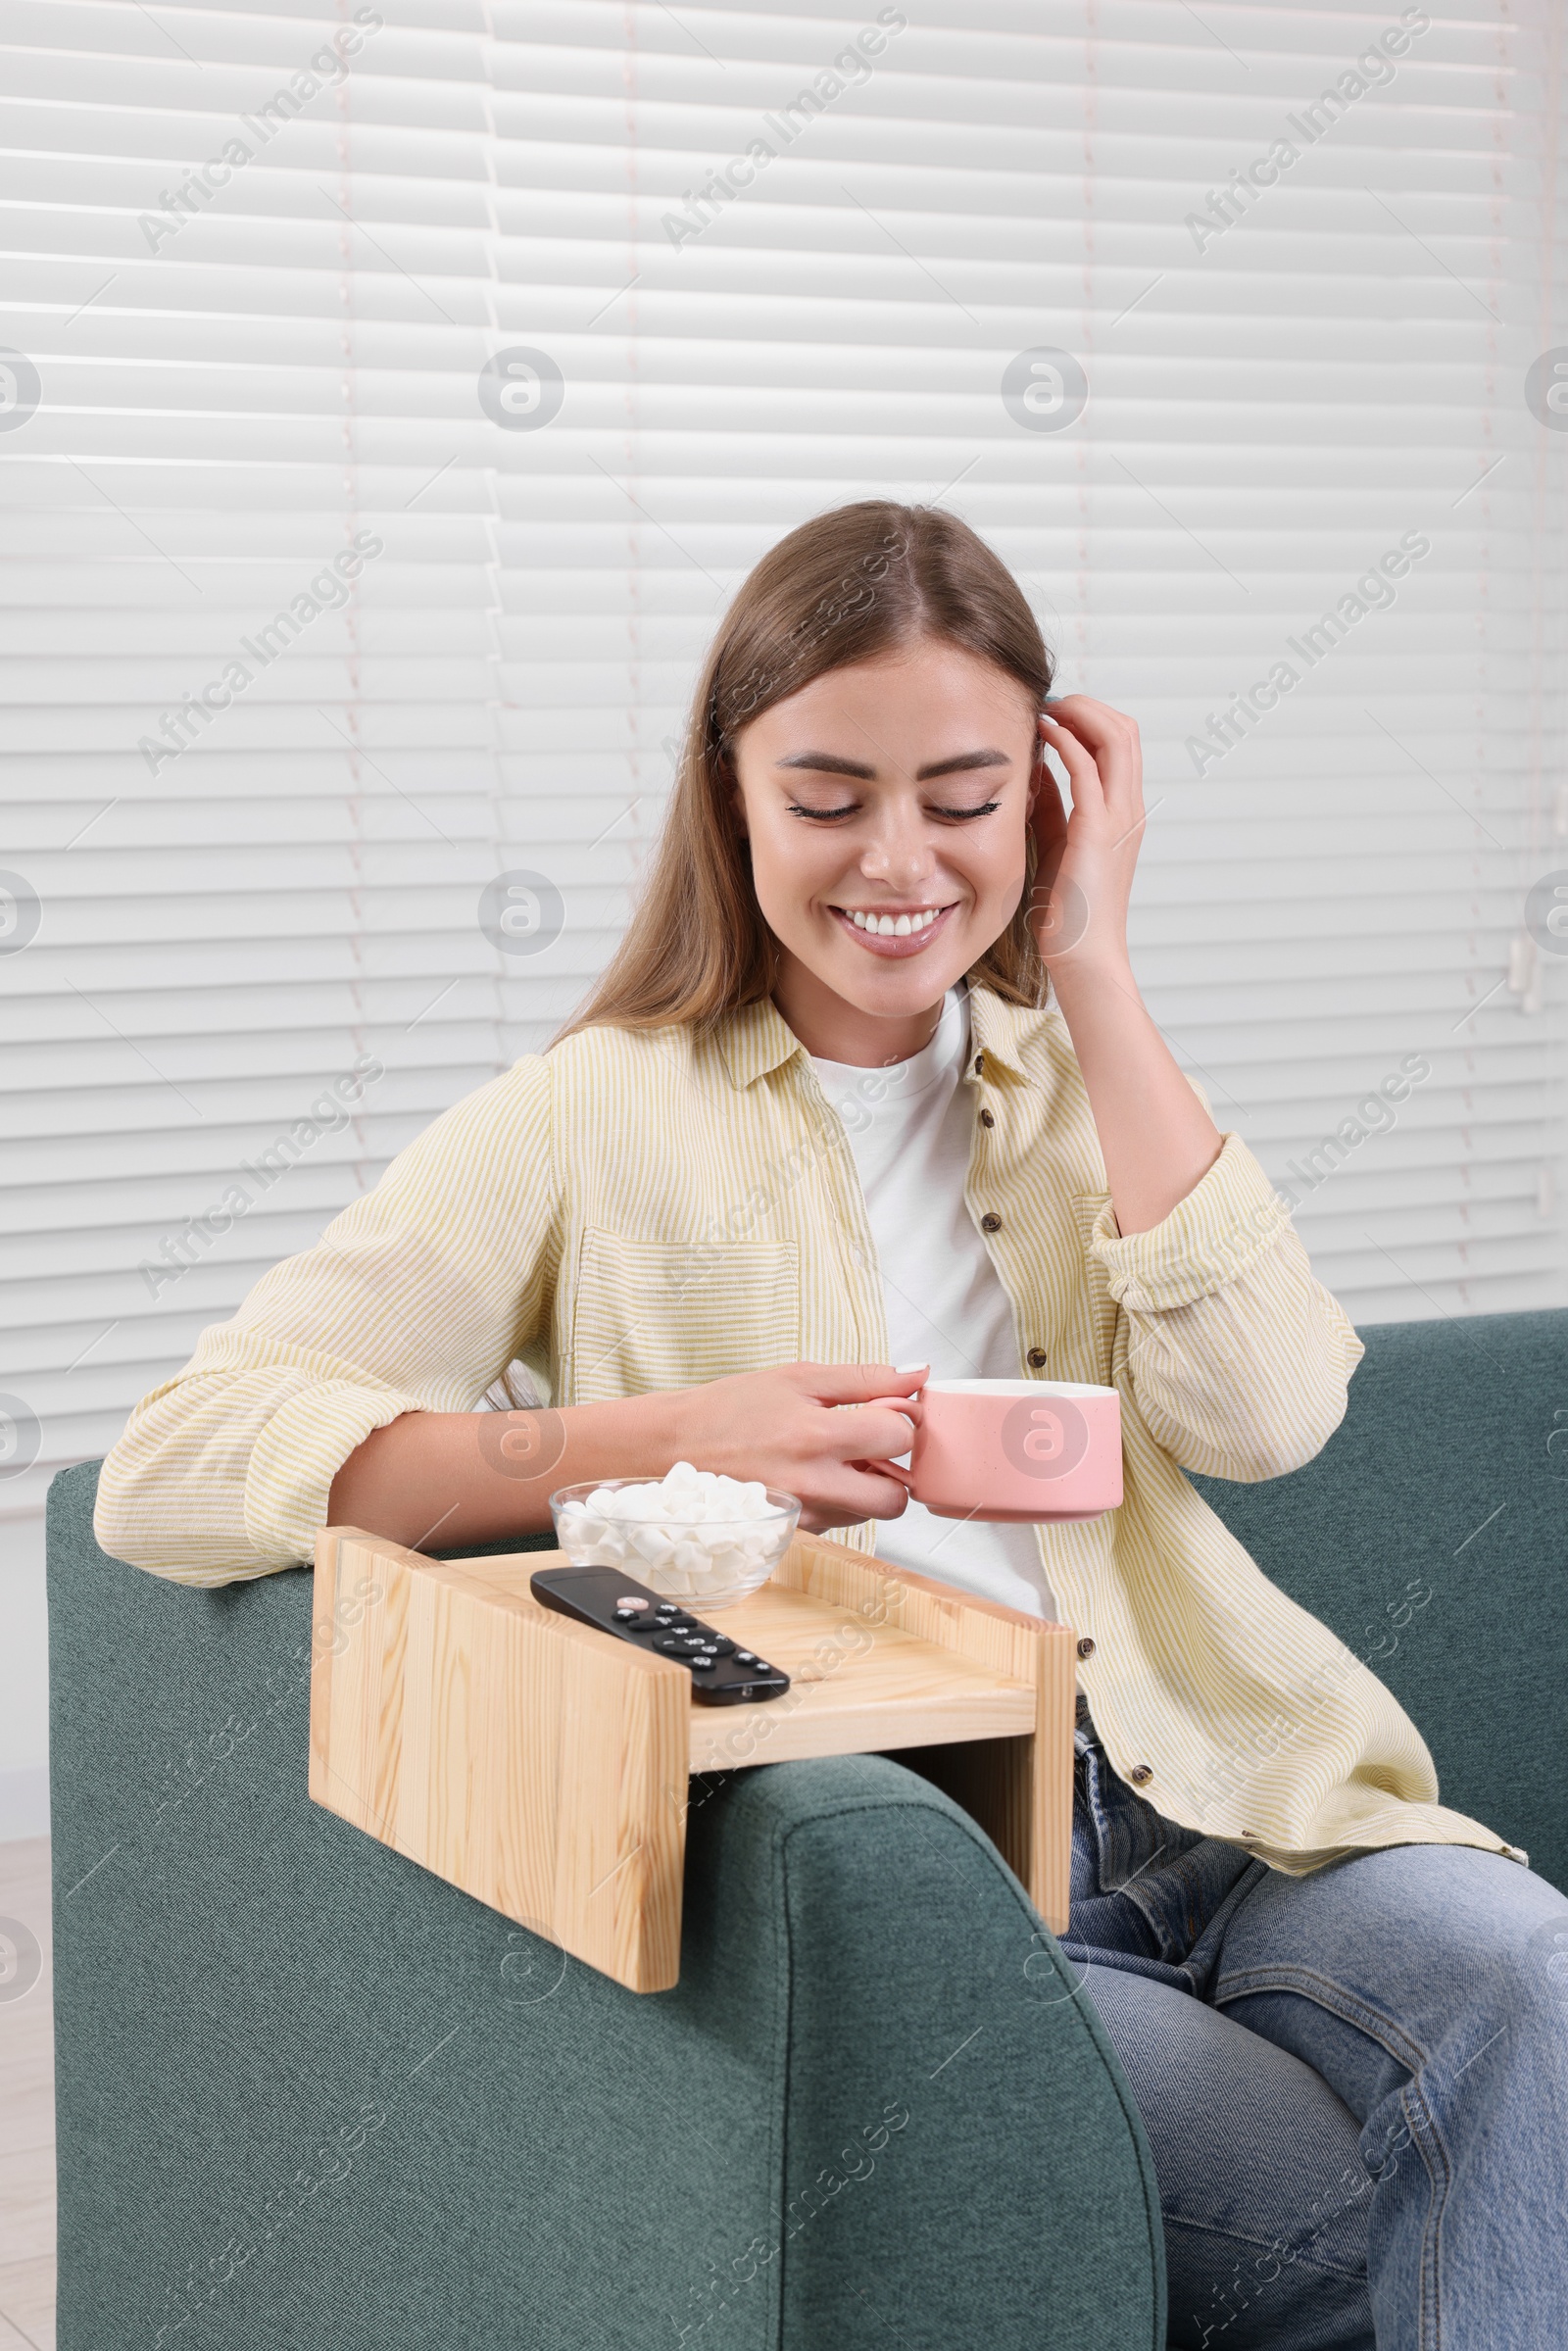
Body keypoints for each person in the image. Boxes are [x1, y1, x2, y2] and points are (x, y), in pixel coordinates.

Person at [96, 501, 1568, 2348]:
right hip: (930, 1863)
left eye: (964, 797)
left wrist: (1094, 969)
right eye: (827, 796)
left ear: (1046, 799)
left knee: (1531, 1987)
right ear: (730, 796)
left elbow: (1271, 1414)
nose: (898, 859)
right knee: (1359, 2218)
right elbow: (170, 1462)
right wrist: (658, 1435)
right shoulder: (593, 1116)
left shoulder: (1069, 1090)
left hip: (1229, 1798)